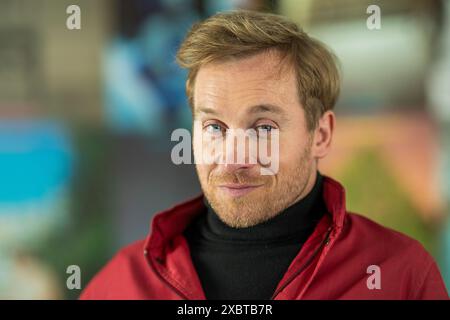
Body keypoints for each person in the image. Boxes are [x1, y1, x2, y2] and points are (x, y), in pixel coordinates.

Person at [80, 10, 448, 300]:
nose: (234, 158)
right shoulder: (121, 283)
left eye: (263, 128)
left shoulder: (400, 275)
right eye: (214, 128)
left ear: (320, 134)